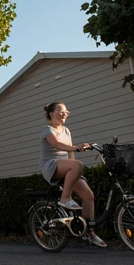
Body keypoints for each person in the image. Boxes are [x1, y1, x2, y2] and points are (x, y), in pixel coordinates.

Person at [39, 101, 106, 248]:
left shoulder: (66, 130)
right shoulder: (47, 130)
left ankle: (90, 233)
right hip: (51, 165)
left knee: (88, 196)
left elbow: (70, 153)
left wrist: (75, 171)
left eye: (66, 112)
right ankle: (65, 198)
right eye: (61, 111)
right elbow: (57, 145)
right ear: (52, 113)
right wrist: (76, 149)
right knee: (78, 165)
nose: (65, 113)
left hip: (66, 167)